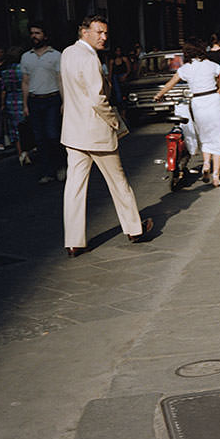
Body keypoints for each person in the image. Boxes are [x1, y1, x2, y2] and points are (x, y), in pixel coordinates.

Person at [60, 15, 152, 258]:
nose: (104, 37)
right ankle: (134, 229)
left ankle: (74, 241)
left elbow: (65, 88)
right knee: (119, 183)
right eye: (99, 32)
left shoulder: (67, 53)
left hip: (73, 131)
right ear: (84, 32)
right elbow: (98, 100)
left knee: (74, 188)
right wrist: (116, 122)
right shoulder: (89, 59)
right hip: (96, 132)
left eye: (105, 33)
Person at [154, 38, 220, 187]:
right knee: (219, 137)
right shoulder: (212, 65)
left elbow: (171, 82)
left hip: (197, 103)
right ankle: (216, 177)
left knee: (205, 136)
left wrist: (159, 94)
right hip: (213, 100)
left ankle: (206, 164)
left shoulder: (185, 69)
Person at [21, 23, 65, 184]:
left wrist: (64, 101)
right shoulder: (26, 57)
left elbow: (61, 80)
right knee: (40, 139)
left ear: (45, 36)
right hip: (34, 100)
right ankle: (47, 172)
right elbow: (25, 82)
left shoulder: (56, 55)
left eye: (38, 33)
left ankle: (60, 165)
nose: (34, 36)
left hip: (52, 99)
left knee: (53, 135)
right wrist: (25, 105)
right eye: (32, 33)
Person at [0, 47, 30, 165]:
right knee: (25, 127)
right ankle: (28, 149)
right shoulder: (23, 71)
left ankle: (20, 153)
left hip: (10, 101)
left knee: (15, 130)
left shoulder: (5, 73)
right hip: (23, 99)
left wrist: (2, 105)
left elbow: (3, 91)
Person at [107, 46, 131, 111]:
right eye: (117, 51)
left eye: (119, 51)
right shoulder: (112, 61)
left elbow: (129, 69)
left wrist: (125, 75)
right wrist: (109, 81)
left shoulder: (124, 59)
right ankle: (120, 107)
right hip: (115, 77)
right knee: (118, 94)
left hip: (123, 76)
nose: (118, 52)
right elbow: (110, 72)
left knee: (125, 92)